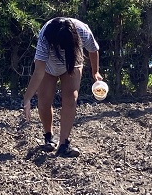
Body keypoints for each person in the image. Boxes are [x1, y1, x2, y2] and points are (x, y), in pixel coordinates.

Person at [23, 17, 102, 157]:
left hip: (72, 64)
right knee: (44, 101)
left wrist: (95, 72)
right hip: (48, 67)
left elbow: (93, 49)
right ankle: (49, 137)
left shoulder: (82, 31)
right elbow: (39, 70)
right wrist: (27, 98)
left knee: (71, 99)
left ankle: (64, 144)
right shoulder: (45, 36)